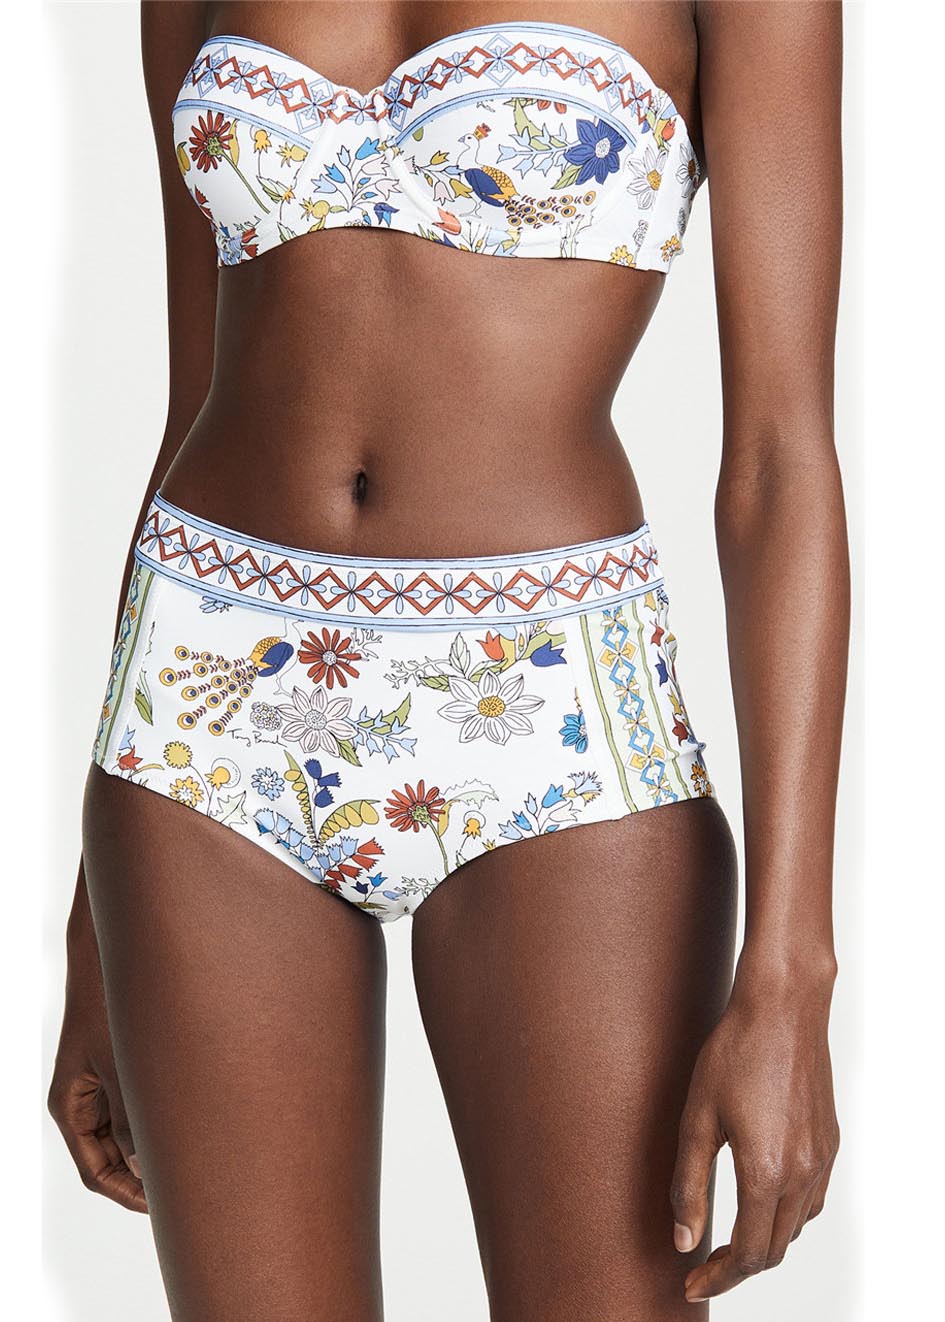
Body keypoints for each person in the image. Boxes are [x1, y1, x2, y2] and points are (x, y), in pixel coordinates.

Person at [48, 3, 847, 1318]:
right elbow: (196, 390)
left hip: (551, 702)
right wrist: (97, 917)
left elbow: (778, 463)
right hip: (202, 706)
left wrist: (791, 975)